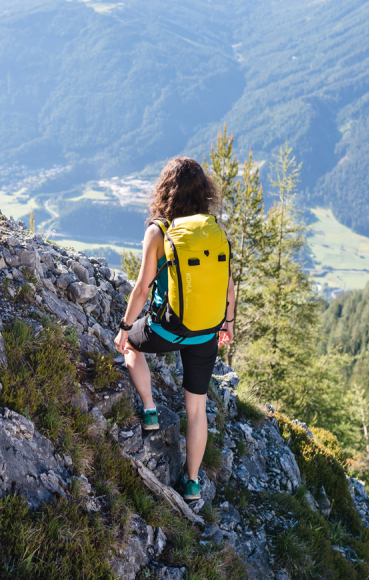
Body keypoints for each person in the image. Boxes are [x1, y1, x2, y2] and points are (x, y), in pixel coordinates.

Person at [114, 156, 235, 501]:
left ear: (165, 190)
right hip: (207, 333)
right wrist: (226, 324)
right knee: (196, 409)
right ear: (204, 193)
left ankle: (150, 409)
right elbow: (228, 287)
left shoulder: (159, 231)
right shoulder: (215, 231)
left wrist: (125, 328)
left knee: (132, 347)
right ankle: (193, 483)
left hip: (168, 329)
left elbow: (141, 288)